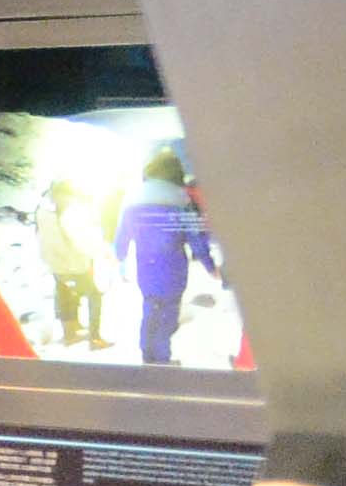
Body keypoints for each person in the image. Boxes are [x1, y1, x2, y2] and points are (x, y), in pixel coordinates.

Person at [111, 146, 218, 367]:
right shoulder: (181, 201)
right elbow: (196, 237)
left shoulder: (134, 199)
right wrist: (210, 265)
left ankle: (148, 357)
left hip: (146, 268)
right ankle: (161, 361)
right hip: (173, 269)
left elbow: (122, 235)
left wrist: (119, 256)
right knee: (168, 314)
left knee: (150, 310)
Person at [40, 175, 107, 351]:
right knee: (94, 295)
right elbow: (81, 240)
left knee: (65, 293)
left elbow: (42, 237)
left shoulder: (43, 210)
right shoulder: (71, 211)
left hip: (55, 262)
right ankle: (95, 339)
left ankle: (69, 333)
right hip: (74, 263)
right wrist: (100, 252)